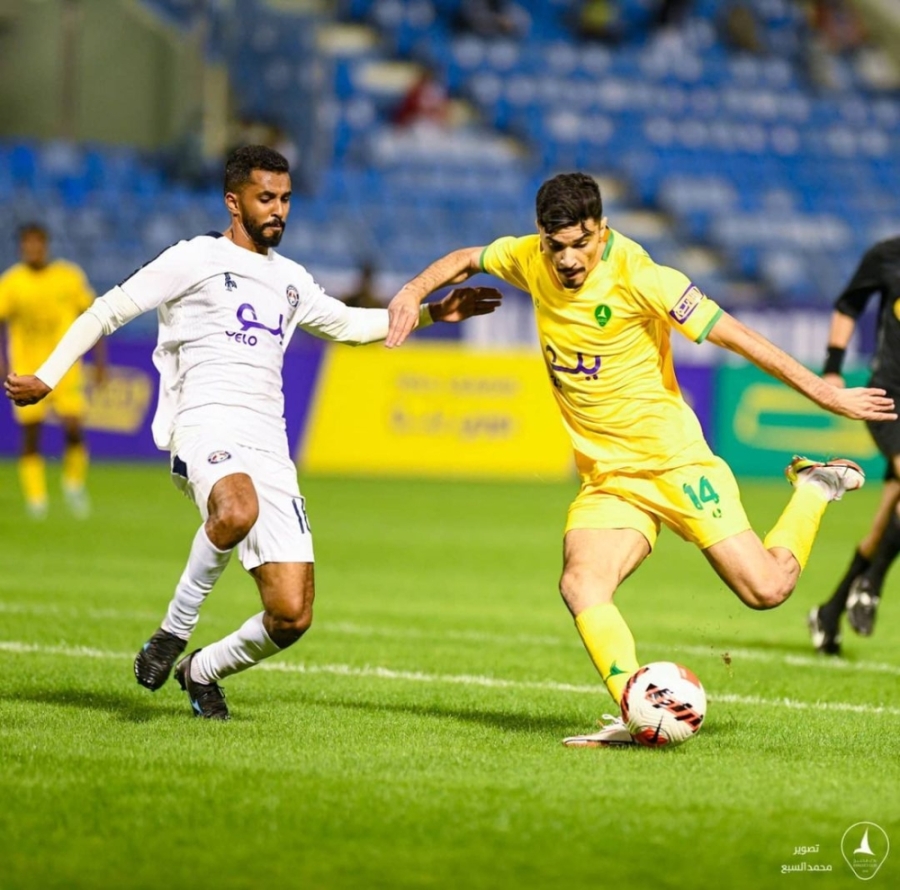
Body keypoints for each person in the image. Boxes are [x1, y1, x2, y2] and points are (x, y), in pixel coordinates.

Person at [384, 172, 895, 747]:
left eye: (581, 243)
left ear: (601, 230)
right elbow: (466, 258)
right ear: (541, 236)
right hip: (610, 479)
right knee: (581, 583)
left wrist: (827, 394)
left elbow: (739, 338)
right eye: (556, 246)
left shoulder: (644, 277)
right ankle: (637, 710)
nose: (568, 259)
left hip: (675, 464)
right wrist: (411, 293)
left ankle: (813, 488)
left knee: (767, 590)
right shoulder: (529, 258)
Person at [5, 145, 501, 721]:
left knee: (292, 614)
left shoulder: (290, 279)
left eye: (285, 198)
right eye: (266, 198)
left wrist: (435, 312)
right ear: (233, 201)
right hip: (204, 424)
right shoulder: (194, 257)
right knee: (236, 509)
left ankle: (201, 670)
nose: (279, 210)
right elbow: (106, 311)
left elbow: (348, 325)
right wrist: (48, 375)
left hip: (269, 445)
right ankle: (172, 632)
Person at [808, 236, 900, 655]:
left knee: (886, 522)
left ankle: (830, 611)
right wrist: (832, 367)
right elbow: (849, 305)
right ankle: (871, 585)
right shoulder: (888, 255)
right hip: (889, 397)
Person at [0, 223, 106, 519]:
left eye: (38, 243)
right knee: (31, 433)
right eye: (27, 244)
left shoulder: (68, 277)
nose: (33, 249)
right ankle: (36, 499)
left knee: (73, 428)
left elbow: (94, 317)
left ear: (45, 246)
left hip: (65, 367)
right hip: (26, 367)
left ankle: (73, 485)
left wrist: (100, 362)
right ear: (21, 247)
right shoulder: (11, 282)